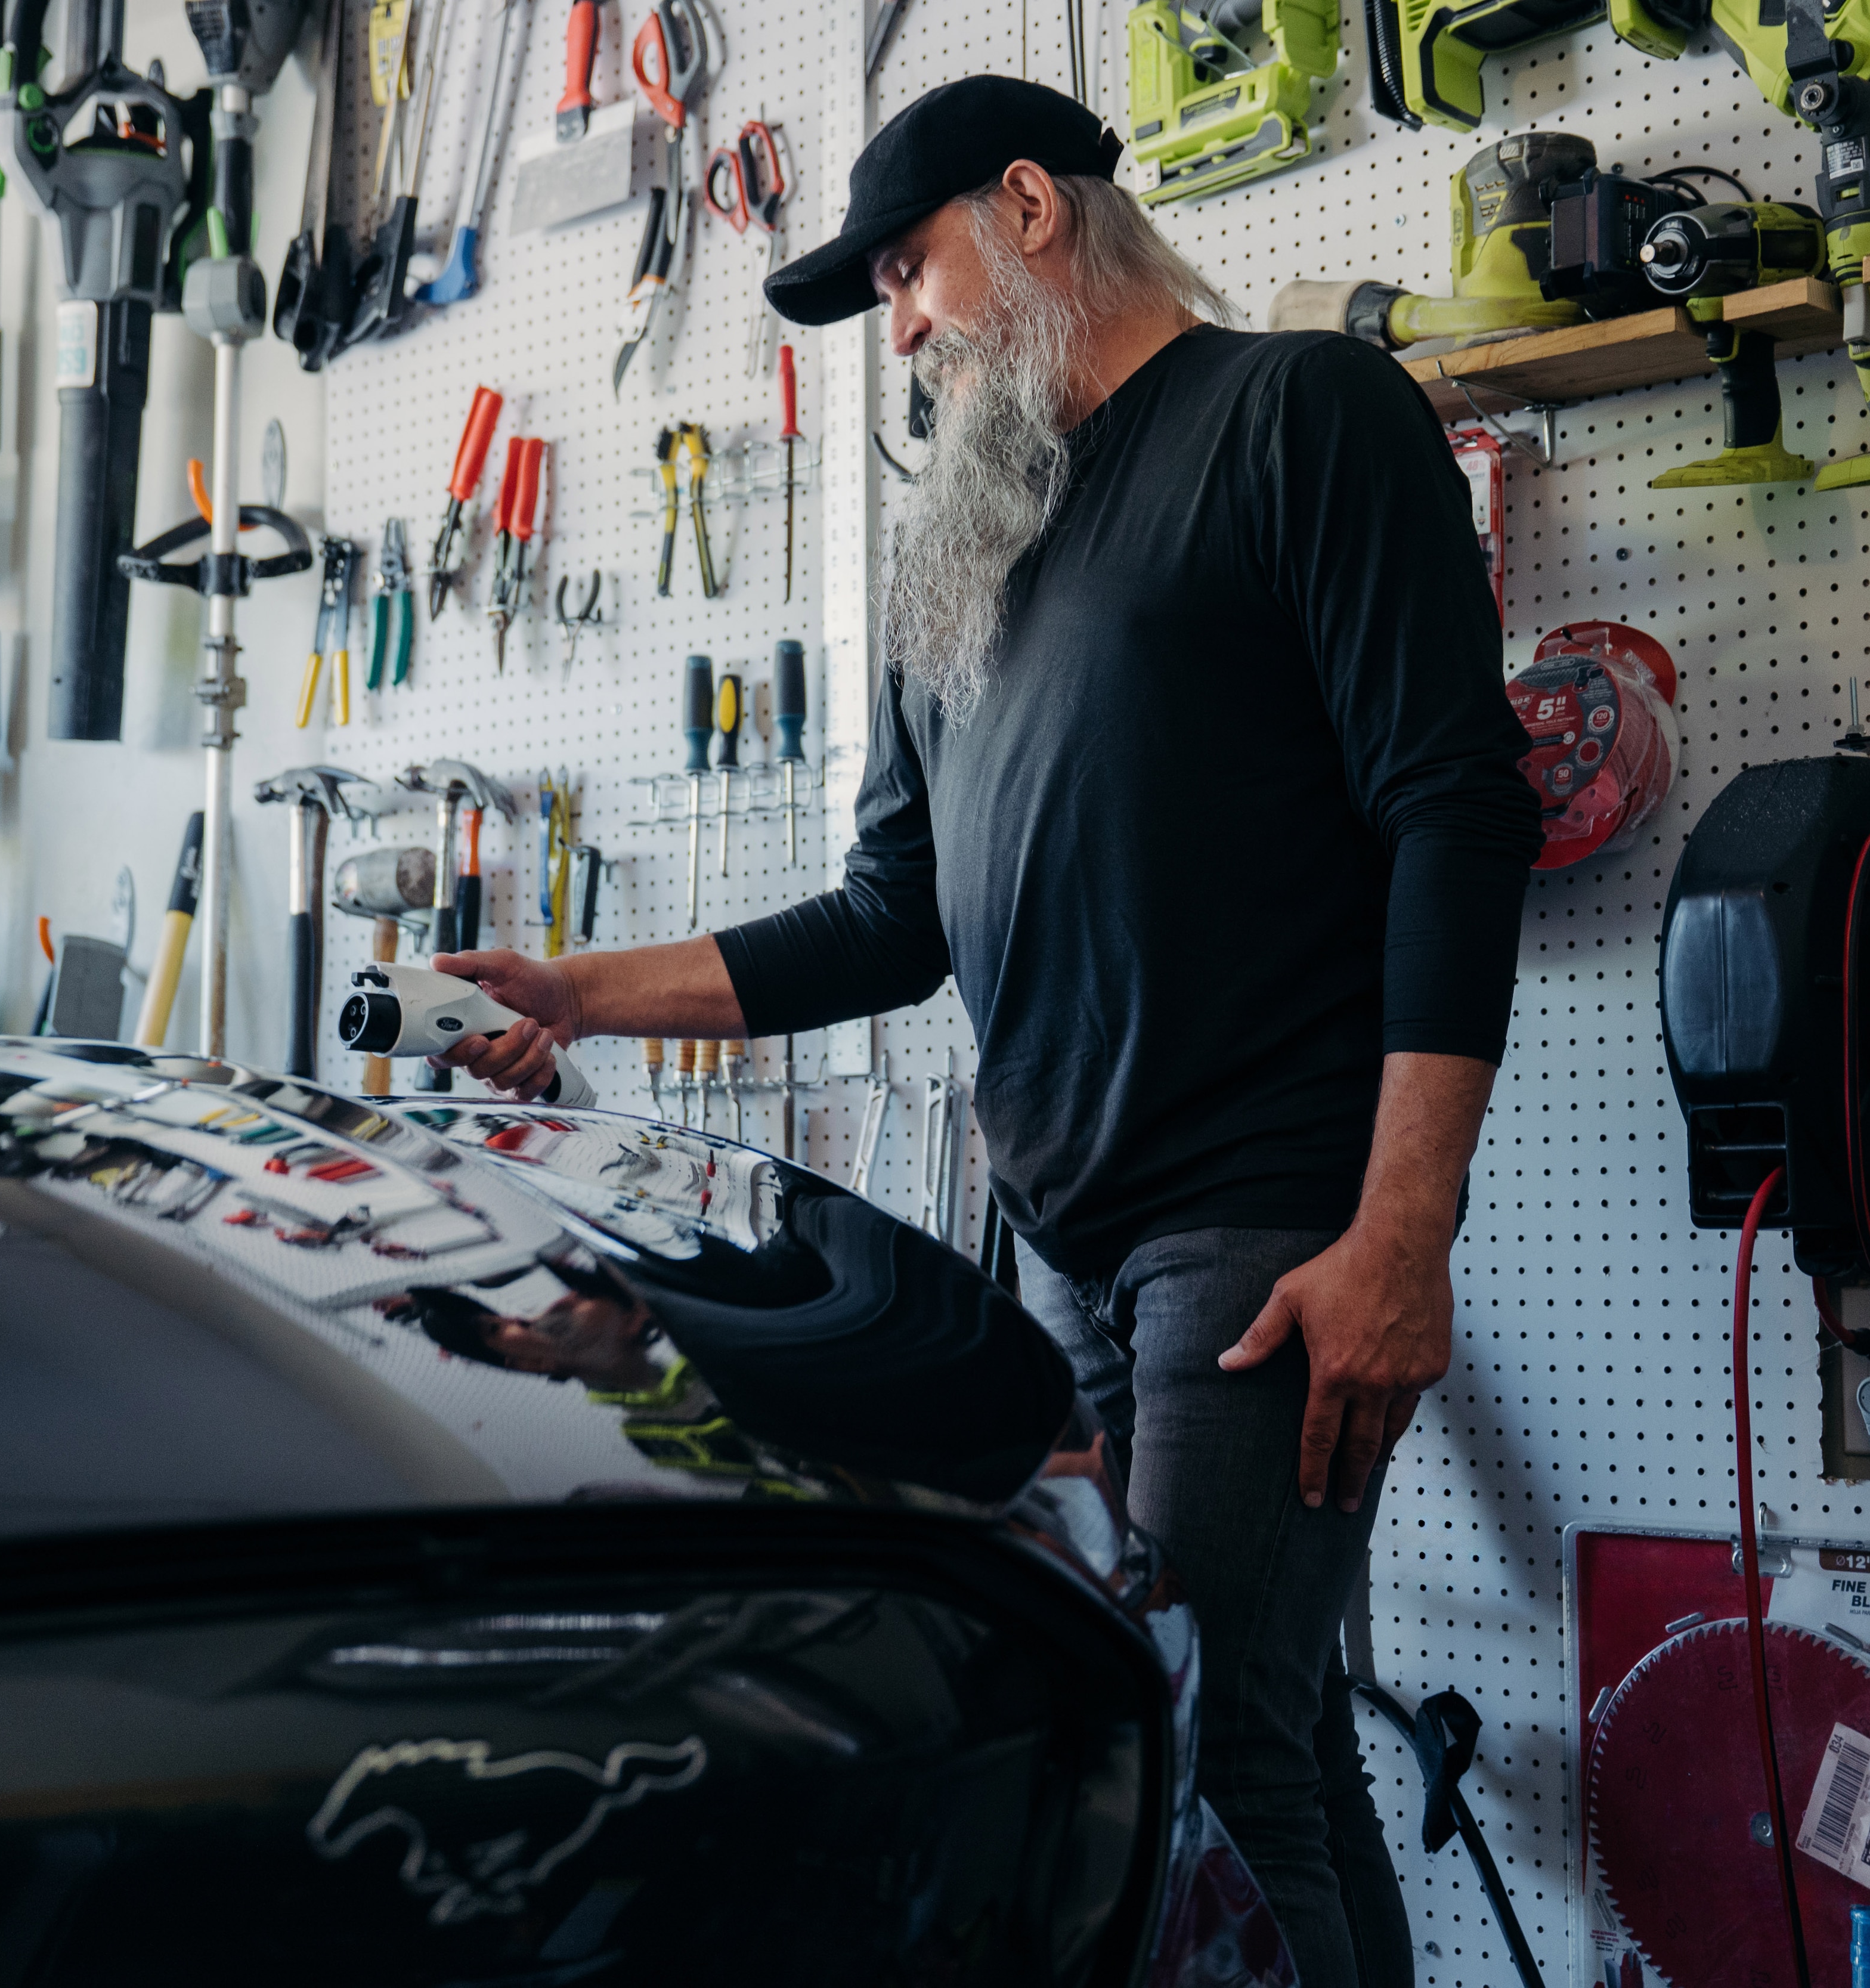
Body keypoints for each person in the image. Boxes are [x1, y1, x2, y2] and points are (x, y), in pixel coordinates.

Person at [431, 73, 1538, 1988]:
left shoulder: (1300, 417)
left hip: (1266, 1238)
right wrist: (578, 989)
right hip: (1066, 1265)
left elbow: (1459, 808)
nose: (906, 332)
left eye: (909, 273)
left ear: (1030, 205)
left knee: (1197, 1744)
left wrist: (1402, 1235)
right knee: (1252, 1746)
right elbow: (888, 923)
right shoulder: (969, 552)